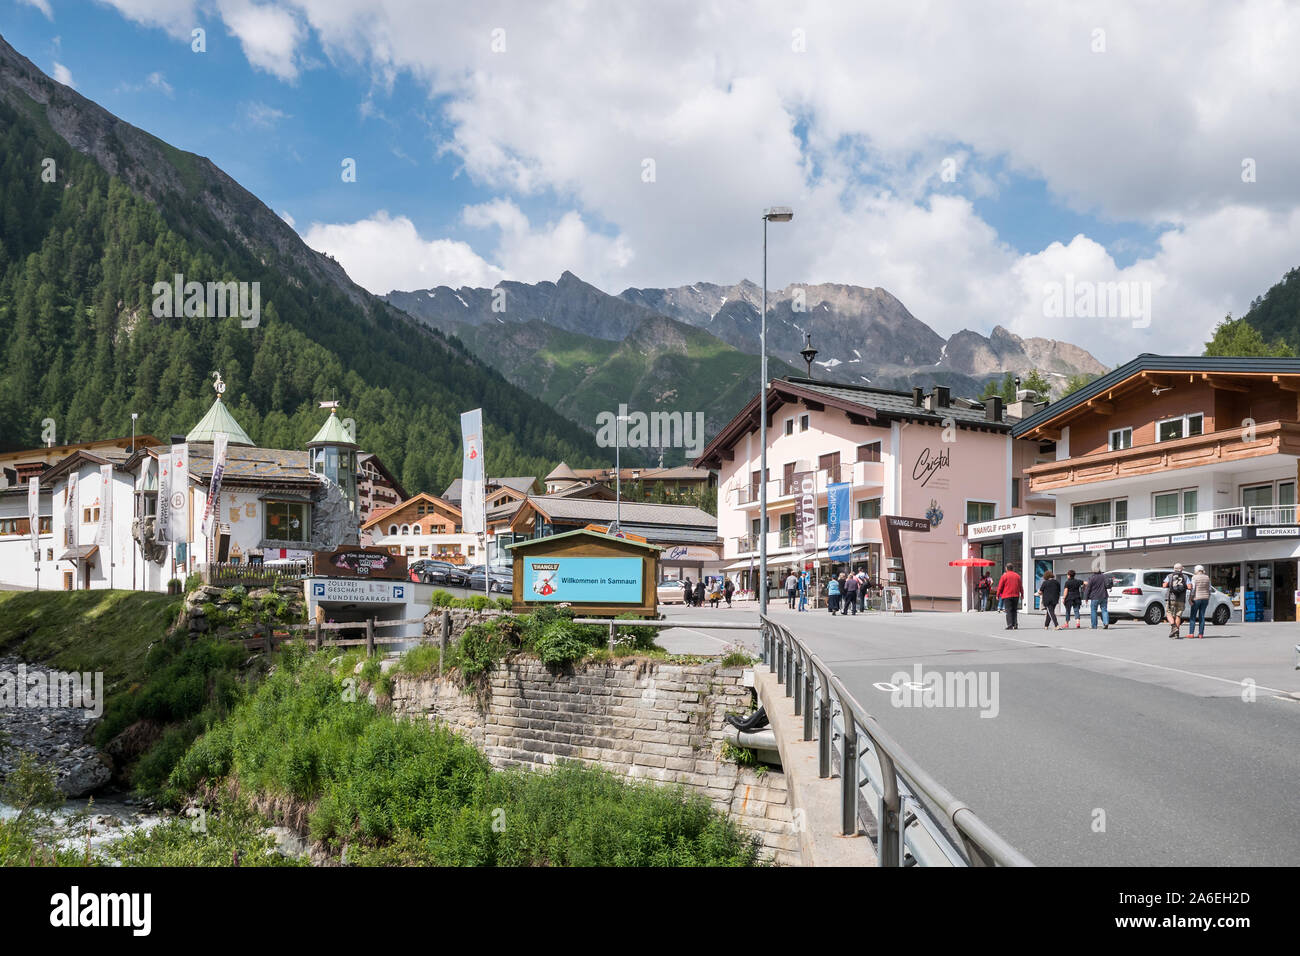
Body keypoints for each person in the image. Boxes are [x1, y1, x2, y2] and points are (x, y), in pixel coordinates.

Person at [1163, 563, 1189, 639]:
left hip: (1171, 598)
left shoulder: (1169, 576)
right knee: (1178, 615)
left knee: (1168, 613)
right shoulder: (1186, 577)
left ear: (1174, 569)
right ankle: (1177, 634)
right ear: (1181, 569)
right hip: (1181, 599)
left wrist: (1170, 584)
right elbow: (1190, 587)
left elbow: (1164, 585)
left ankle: (1174, 627)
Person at [996, 563, 1022, 629]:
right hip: (1016, 595)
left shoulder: (1004, 576)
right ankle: (1015, 624)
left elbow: (1000, 586)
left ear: (1006, 568)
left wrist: (998, 594)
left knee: (1008, 610)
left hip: (1007, 595)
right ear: (1012, 568)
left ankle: (1010, 625)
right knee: (1014, 610)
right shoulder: (1017, 576)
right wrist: (1022, 594)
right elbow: (1020, 586)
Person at [1188, 565, 1211, 639]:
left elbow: (1193, 589)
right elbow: (1209, 589)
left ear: (1196, 570)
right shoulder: (1207, 578)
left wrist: (1190, 598)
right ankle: (1201, 634)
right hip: (1205, 598)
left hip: (1196, 598)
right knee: (1202, 616)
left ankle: (1191, 633)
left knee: (1193, 616)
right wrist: (1208, 597)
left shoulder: (1194, 577)